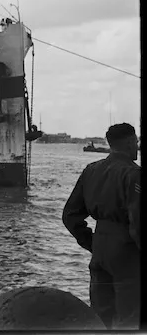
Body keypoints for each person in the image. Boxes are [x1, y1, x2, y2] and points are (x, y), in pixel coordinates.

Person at [62, 122, 141, 329]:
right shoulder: (134, 174)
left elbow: (70, 215)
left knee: (101, 316)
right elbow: (138, 221)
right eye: (136, 141)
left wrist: (92, 243)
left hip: (100, 249)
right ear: (130, 142)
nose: (138, 145)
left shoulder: (91, 170)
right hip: (127, 251)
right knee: (131, 317)